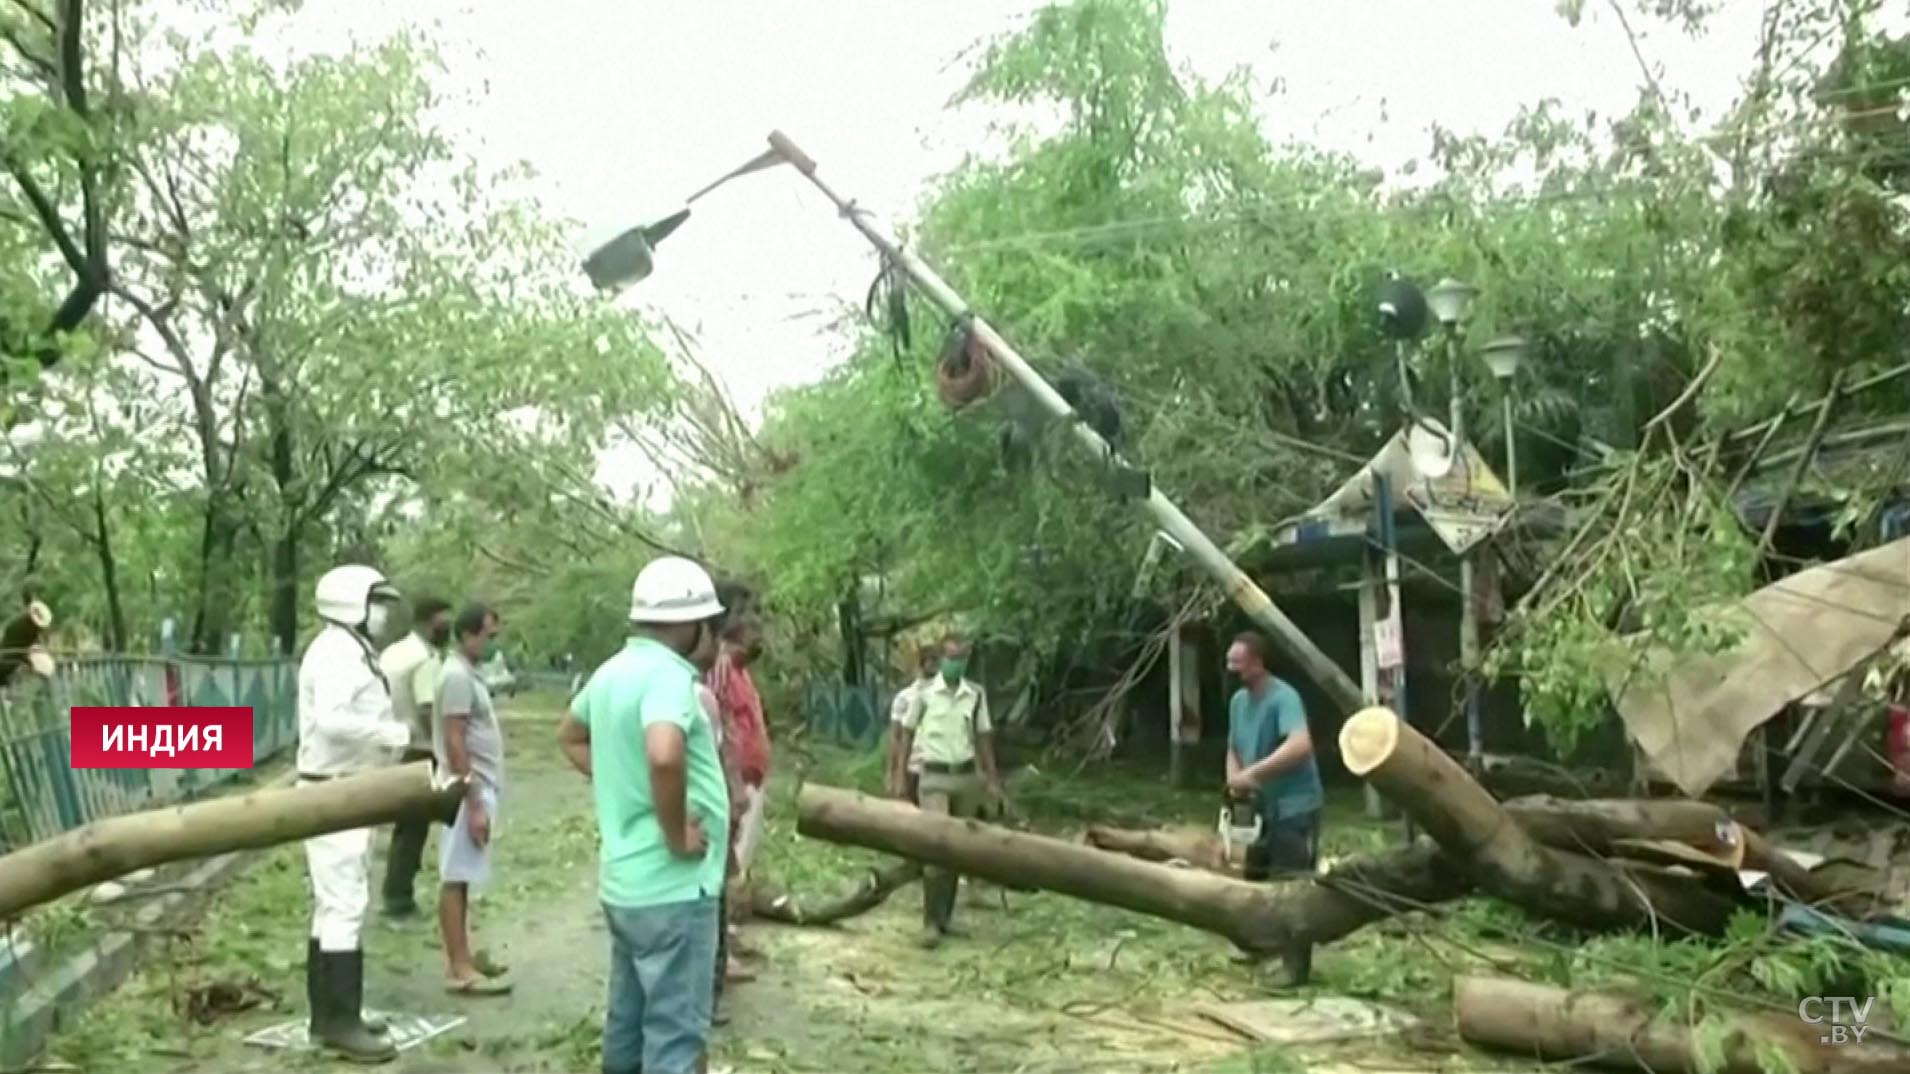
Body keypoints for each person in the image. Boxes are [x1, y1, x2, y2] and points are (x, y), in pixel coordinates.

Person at [555, 556, 730, 1074]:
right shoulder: (669, 678)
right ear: (688, 625)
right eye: (710, 625)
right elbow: (663, 753)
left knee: (627, 1025)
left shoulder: (611, 672)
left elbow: (569, 736)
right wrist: (676, 833)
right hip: (673, 889)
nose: (714, 637)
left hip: (625, 884)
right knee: (676, 1039)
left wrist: (619, 780)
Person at [298, 564, 410, 1064]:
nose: (385, 613)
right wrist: (394, 735)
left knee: (335, 903)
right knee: (344, 903)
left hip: (346, 788)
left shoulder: (350, 649)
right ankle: (340, 1023)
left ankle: (331, 1015)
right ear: (353, 604)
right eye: (378, 602)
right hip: (333, 791)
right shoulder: (337, 653)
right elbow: (333, 720)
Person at [1223, 630, 1325, 986]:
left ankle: (1295, 965)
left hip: (1295, 805)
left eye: (1238, 664)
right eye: (1229, 664)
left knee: (1293, 884)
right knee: (1254, 876)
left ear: (1258, 663)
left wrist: (1255, 773)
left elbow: (1300, 745)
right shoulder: (1238, 701)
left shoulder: (1285, 698)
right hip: (1261, 807)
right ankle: (1257, 945)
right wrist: (1235, 779)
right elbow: (1233, 746)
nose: (1232, 670)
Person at [889, 633, 1001, 949]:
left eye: (962, 658)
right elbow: (906, 734)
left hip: (964, 777)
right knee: (935, 850)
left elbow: (983, 738)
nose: (956, 663)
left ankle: (945, 918)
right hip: (933, 777)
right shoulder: (924, 695)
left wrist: (991, 779)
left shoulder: (975, 695)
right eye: (951, 657)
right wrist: (899, 775)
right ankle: (929, 922)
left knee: (958, 853)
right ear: (942, 658)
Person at [437, 603, 513, 996]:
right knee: (455, 875)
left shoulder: (469, 675)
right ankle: (458, 966)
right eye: (488, 635)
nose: (491, 643)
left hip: (479, 785)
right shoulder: (454, 677)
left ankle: (463, 956)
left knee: (465, 876)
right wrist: (473, 799)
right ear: (468, 634)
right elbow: (454, 737)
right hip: (467, 788)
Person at [378, 596, 451, 919]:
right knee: (412, 831)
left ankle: (397, 893)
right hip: (420, 749)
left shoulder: (393, 653)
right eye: (443, 621)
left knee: (405, 828)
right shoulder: (425, 659)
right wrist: (444, 744)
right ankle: (398, 898)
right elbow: (427, 707)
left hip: (393, 744)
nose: (447, 628)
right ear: (430, 621)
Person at [884, 647, 940, 803]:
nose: (934, 664)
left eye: (936, 660)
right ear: (921, 664)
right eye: (931, 660)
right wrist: (892, 772)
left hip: (937, 766)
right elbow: (896, 737)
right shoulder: (905, 697)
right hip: (912, 766)